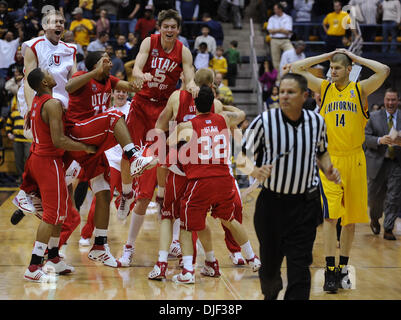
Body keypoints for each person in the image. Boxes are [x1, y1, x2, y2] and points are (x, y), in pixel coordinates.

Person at [291, 49, 390, 293]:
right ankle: (329, 271)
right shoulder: (324, 88)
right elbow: (295, 68)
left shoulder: (360, 89)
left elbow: (384, 71)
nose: (332, 71)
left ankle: (343, 269)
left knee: (350, 220)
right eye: (331, 68)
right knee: (330, 216)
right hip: (331, 160)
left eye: (337, 68)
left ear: (348, 70)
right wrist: (326, 56)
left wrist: (355, 59)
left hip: (356, 158)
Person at [238, 72, 341, 300]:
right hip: (272, 206)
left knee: (300, 269)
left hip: (305, 206)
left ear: (304, 95)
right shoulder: (266, 121)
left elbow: (322, 152)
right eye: (282, 91)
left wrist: (329, 169)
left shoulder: (317, 122)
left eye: (290, 92)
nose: (284, 96)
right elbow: (241, 154)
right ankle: (271, 291)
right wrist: (254, 170)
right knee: (270, 271)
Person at [148, 68, 253, 279]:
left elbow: (160, 128)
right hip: (207, 171)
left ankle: (168, 265)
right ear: (213, 87)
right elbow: (239, 122)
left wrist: (156, 155)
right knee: (207, 218)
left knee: (171, 216)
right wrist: (243, 159)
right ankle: (221, 259)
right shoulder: (218, 106)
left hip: (181, 168)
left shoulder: (177, 96)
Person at [116, 9, 199, 267]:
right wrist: (140, 75)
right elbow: (138, 67)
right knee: (127, 153)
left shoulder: (183, 50)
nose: (170, 30)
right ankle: (126, 193)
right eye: (166, 26)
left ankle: (156, 220)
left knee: (158, 169)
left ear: (178, 29)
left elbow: (190, 76)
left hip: (163, 110)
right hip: (141, 104)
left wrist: (193, 86)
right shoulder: (149, 42)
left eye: (174, 26)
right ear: (160, 27)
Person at [63, 50, 156, 268]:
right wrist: (94, 72)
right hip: (79, 130)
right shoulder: (81, 77)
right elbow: (68, 88)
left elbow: (132, 88)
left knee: (103, 194)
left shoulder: (110, 80)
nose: (110, 60)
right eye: (105, 58)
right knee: (115, 116)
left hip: (96, 140)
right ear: (96, 64)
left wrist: (143, 79)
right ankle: (134, 157)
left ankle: (100, 247)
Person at [167, 85, 261, 284]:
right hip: (224, 180)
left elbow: (167, 142)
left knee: (186, 225)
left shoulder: (188, 126)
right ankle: (250, 257)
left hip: (201, 181)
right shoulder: (224, 120)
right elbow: (241, 114)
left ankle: (187, 271)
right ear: (213, 103)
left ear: (194, 104)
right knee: (229, 219)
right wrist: (224, 106)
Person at [23, 68, 96, 282]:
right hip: (48, 161)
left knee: (61, 212)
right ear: (45, 82)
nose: (52, 73)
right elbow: (59, 141)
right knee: (52, 215)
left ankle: (53, 257)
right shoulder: (52, 104)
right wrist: (86, 147)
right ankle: (34, 265)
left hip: (39, 158)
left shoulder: (37, 100)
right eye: (48, 72)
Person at [79, 88, 132, 245]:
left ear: (128, 94)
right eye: (118, 91)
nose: (121, 94)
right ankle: (86, 235)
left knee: (136, 198)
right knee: (102, 196)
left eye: (124, 92)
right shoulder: (106, 111)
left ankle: (121, 201)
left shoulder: (133, 108)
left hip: (130, 159)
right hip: (112, 159)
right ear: (112, 94)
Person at [365, 88, 401, 240]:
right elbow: (365, 138)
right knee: (374, 198)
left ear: (398, 101)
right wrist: (380, 140)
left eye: (393, 100)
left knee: (394, 196)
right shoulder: (373, 117)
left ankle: (388, 228)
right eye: (388, 99)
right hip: (377, 161)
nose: (391, 103)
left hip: (397, 162)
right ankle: (374, 218)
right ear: (384, 100)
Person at [266, 3, 293, 76]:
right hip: (274, 40)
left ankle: (289, 75)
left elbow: (288, 31)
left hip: (286, 40)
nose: (274, 10)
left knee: (291, 54)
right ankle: (279, 80)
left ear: (280, 9)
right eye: (274, 9)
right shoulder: (272, 18)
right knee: (276, 61)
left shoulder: (288, 18)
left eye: (276, 9)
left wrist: (276, 30)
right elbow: (270, 31)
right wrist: (281, 29)